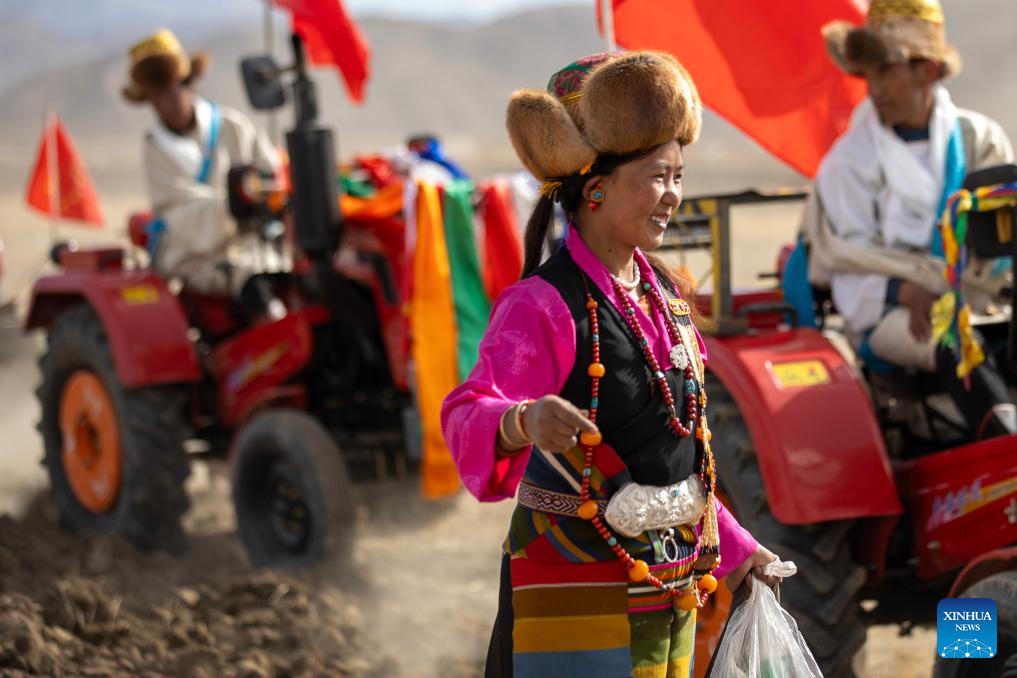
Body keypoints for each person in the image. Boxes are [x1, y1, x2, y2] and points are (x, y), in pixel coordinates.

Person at [441, 51, 776, 677]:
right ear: (594, 187)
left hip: (668, 592)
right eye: (657, 176)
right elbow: (467, 411)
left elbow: (674, 462)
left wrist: (738, 551)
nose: (674, 195)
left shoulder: (667, 300)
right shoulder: (543, 305)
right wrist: (522, 419)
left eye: (679, 174)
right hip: (576, 599)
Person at [805, 0, 1016, 438]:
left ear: (928, 71)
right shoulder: (849, 162)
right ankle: (1002, 443)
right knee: (952, 338)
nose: (875, 88)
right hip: (886, 308)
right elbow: (848, 262)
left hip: (979, 294)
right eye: (870, 75)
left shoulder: (980, 137)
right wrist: (905, 290)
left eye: (886, 71)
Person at [122, 29, 285, 319]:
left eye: (173, 89)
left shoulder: (233, 126)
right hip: (193, 256)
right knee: (252, 289)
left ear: (189, 84)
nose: (168, 103)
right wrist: (231, 205)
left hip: (256, 244)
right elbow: (177, 213)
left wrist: (264, 194)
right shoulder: (155, 150)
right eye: (157, 96)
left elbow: (273, 174)